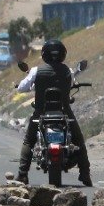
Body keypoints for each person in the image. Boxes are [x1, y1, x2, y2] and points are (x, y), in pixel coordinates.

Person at [15, 39, 92, 186]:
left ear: (44, 54)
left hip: (40, 113)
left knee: (28, 142)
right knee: (79, 141)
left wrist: (33, 84)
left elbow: (21, 88)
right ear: (63, 54)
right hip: (64, 113)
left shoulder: (36, 71)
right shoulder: (68, 71)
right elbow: (70, 84)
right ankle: (85, 174)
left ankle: (22, 174)